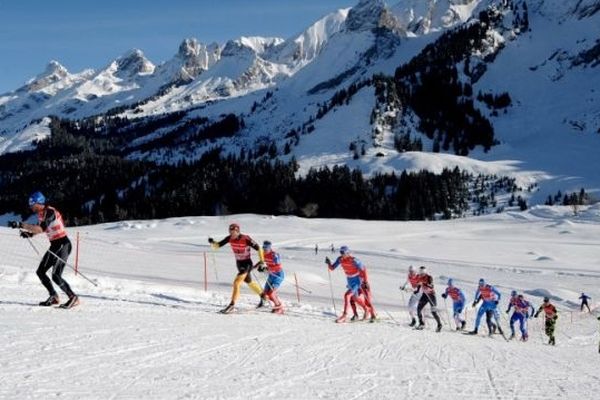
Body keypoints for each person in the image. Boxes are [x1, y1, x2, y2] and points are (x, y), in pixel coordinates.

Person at [9, 191, 79, 308]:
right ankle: (54, 296)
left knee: (56, 275)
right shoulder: (42, 213)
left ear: (39, 202)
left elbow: (41, 228)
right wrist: (30, 234)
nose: (30, 206)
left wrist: (21, 225)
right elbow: (41, 229)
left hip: (63, 244)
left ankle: (73, 297)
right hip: (55, 245)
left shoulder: (50, 212)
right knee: (40, 271)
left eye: (32, 203)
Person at [209, 223, 264, 314]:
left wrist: (262, 262)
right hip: (239, 263)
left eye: (233, 232)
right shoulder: (229, 238)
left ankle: (232, 305)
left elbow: (259, 249)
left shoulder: (245, 238)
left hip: (247, 263)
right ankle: (263, 296)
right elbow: (217, 246)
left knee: (237, 282)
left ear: (238, 231)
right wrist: (212, 242)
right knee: (249, 282)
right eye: (230, 232)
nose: (231, 234)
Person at [325, 245, 375, 323]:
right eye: (341, 252)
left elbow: (364, 269)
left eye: (343, 253)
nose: (342, 255)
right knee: (355, 298)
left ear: (348, 253)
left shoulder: (354, 260)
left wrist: (365, 281)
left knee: (347, 295)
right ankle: (366, 309)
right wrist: (329, 263)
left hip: (357, 281)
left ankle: (344, 316)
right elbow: (332, 268)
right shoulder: (340, 259)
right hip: (350, 281)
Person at [256, 241, 285, 314]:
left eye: (266, 248)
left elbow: (278, 266)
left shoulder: (274, 255)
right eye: (263, 248)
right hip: (271, 275)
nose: (264, 250)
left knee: (271, 293)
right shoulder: (263, 254)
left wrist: (266, 269)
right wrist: (253, 267)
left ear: (269, 248)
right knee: (265, 293)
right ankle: (276, 304)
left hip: (278, 276)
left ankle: (279, 307)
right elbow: (261, 261)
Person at [415, 266, 443, 332]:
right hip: (424, 295)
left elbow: (431, 286)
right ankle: (421, 324)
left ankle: (439, 324)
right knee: (418, 309)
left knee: (433, 312)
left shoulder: (429, 277)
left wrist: (425, 283)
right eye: (420, 272)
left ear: (425, 272)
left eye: (422, 273)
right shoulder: (419, 277)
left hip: (431, 295)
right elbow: (419, 284)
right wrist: (417, 290)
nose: (421, 274)